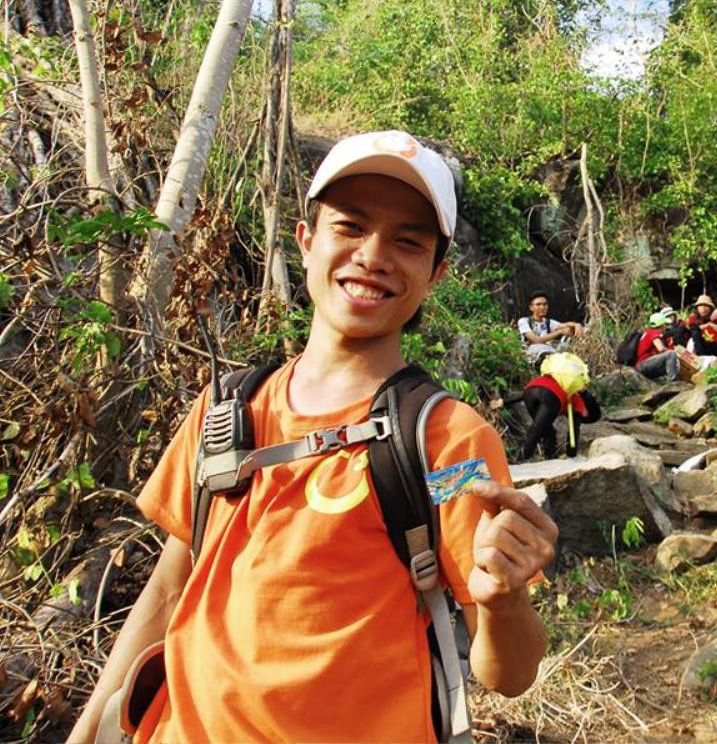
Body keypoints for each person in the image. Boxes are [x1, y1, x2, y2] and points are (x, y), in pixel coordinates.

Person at [68, 131, 557, 744]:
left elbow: (507, 676)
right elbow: (168, 590)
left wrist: (503, 601)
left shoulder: (446, 444)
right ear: (305, 241)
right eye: (349, 226)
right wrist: (87, 730)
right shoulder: (227, 409)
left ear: (435, 273)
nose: (373, 255)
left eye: (407, 241)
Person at [519, 353, 601, 461]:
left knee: (547, 429)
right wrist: (572, 455)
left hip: (529, 390)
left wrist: (503, 401)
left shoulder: (561, 382)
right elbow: (573, 432)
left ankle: (550, 456)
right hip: (550, 395)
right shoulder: (579, 402)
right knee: (537, 430)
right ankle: (521, 461)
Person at [517, 291, 582, 366]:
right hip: (531, 358)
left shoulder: (549, 322)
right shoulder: (524, 321)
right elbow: (536, 340)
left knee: (565, 348)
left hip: (549, 357)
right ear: (531, 307)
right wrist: (559, 332)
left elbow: (565, 326)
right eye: (538, 304)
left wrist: (577, 325)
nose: (542, 307)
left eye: (545, 304)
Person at [635, 311, 680, 381]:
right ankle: (673, 382)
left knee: (672, 365)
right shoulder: (654, 332)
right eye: (665, 324)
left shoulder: (648, 332)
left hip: (643, 365)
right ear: (662, 325)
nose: (666, 325)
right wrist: (674, 352)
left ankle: (669, 381)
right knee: (671, 354)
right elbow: (661, 348)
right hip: (643, 364)